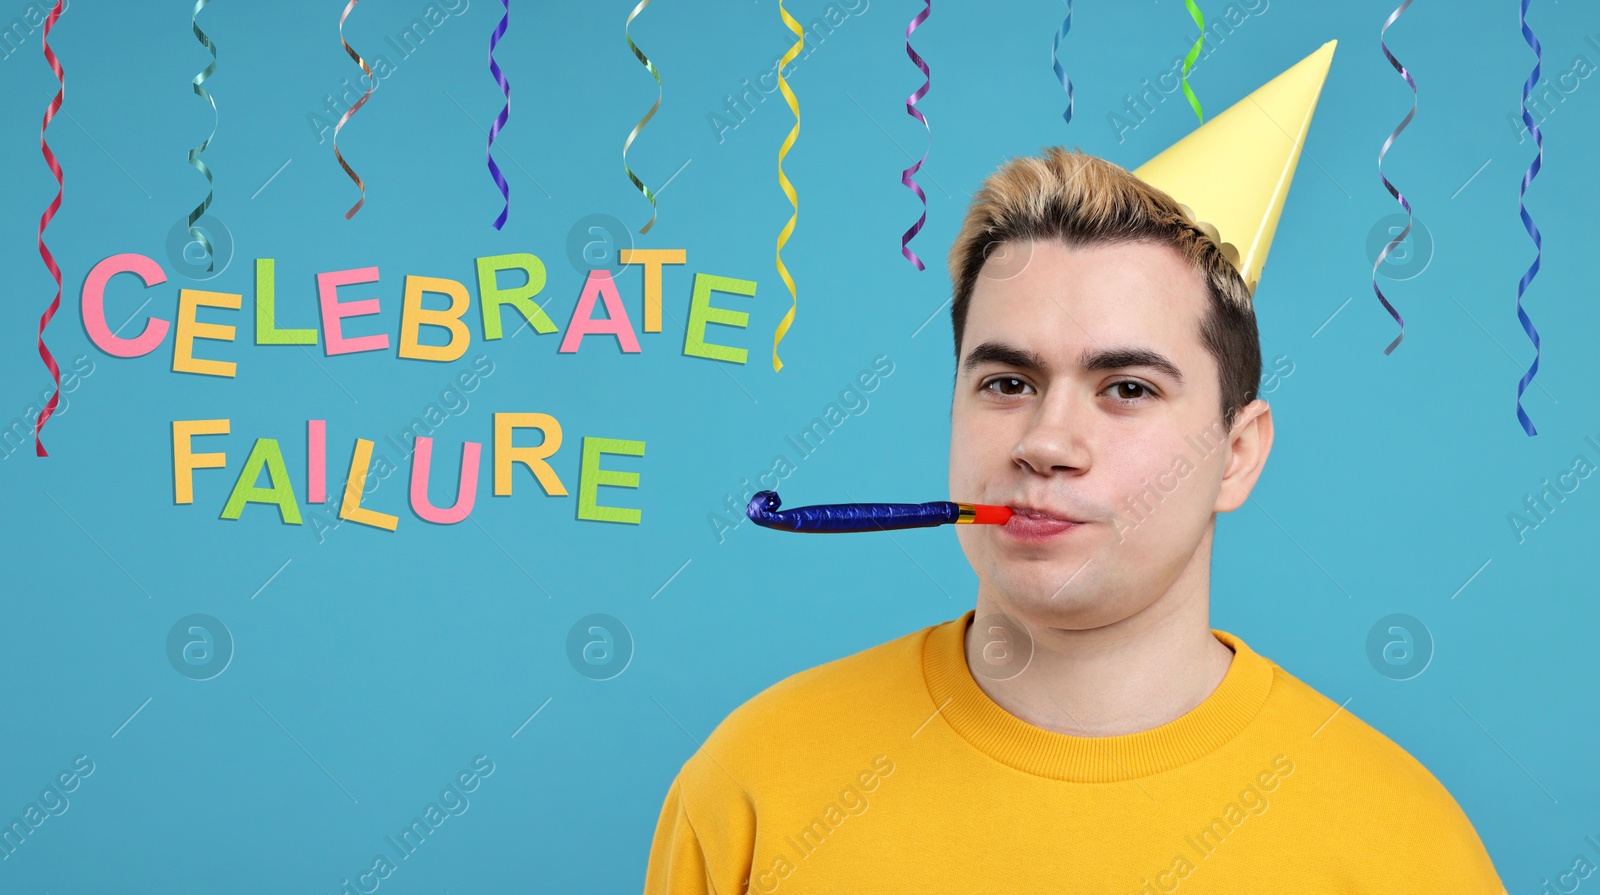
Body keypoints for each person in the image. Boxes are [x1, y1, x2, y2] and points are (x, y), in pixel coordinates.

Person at [644, 42, 1508, 894]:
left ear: (1237, 455)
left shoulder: (1404, 846)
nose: (1046, 441)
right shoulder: (751, 784)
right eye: (1007, 381)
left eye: (1126, 387)